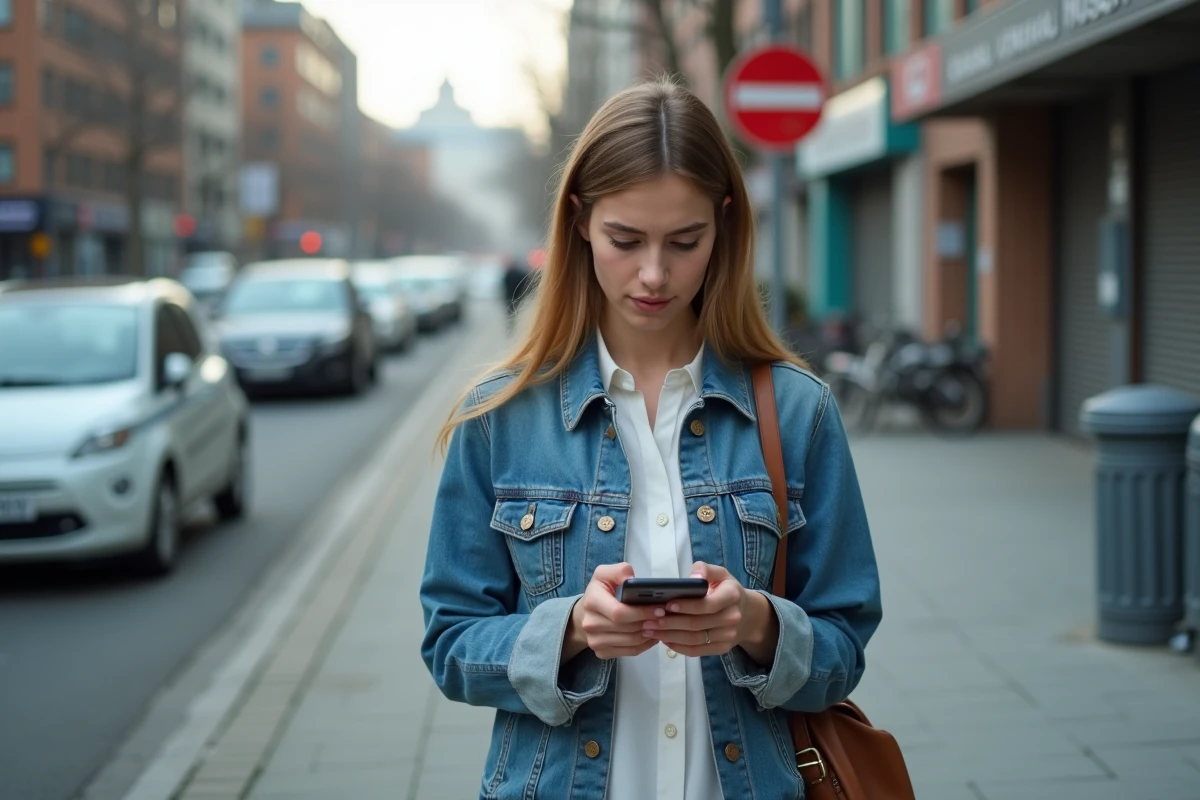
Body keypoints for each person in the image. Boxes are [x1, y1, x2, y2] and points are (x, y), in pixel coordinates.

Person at [420, 78, 881, 800]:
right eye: (626, 240)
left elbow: (844, 643)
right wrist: (568, 630)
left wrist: (756, 624)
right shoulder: (500, 415)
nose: (655, 274)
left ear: (723, 225)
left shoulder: (797, 411)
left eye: (685, 241)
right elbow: (450, 642)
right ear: (578, 221)